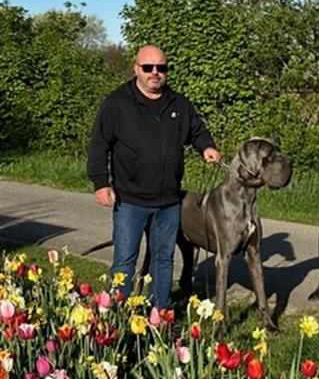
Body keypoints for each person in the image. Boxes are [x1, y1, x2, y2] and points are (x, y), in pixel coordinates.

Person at [86, 45, 220, 308]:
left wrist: (207, 146)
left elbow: (197, 130)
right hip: (130, 200)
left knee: (163, 259)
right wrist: (101, 183)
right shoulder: (117, 103)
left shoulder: (179, 104)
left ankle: (160, 315)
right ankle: (116, 316)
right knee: (125, 259)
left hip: (168, 202)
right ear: (137, 69)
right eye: (148, 67)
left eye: (161, 68)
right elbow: (98, 145)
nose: (155, 73)